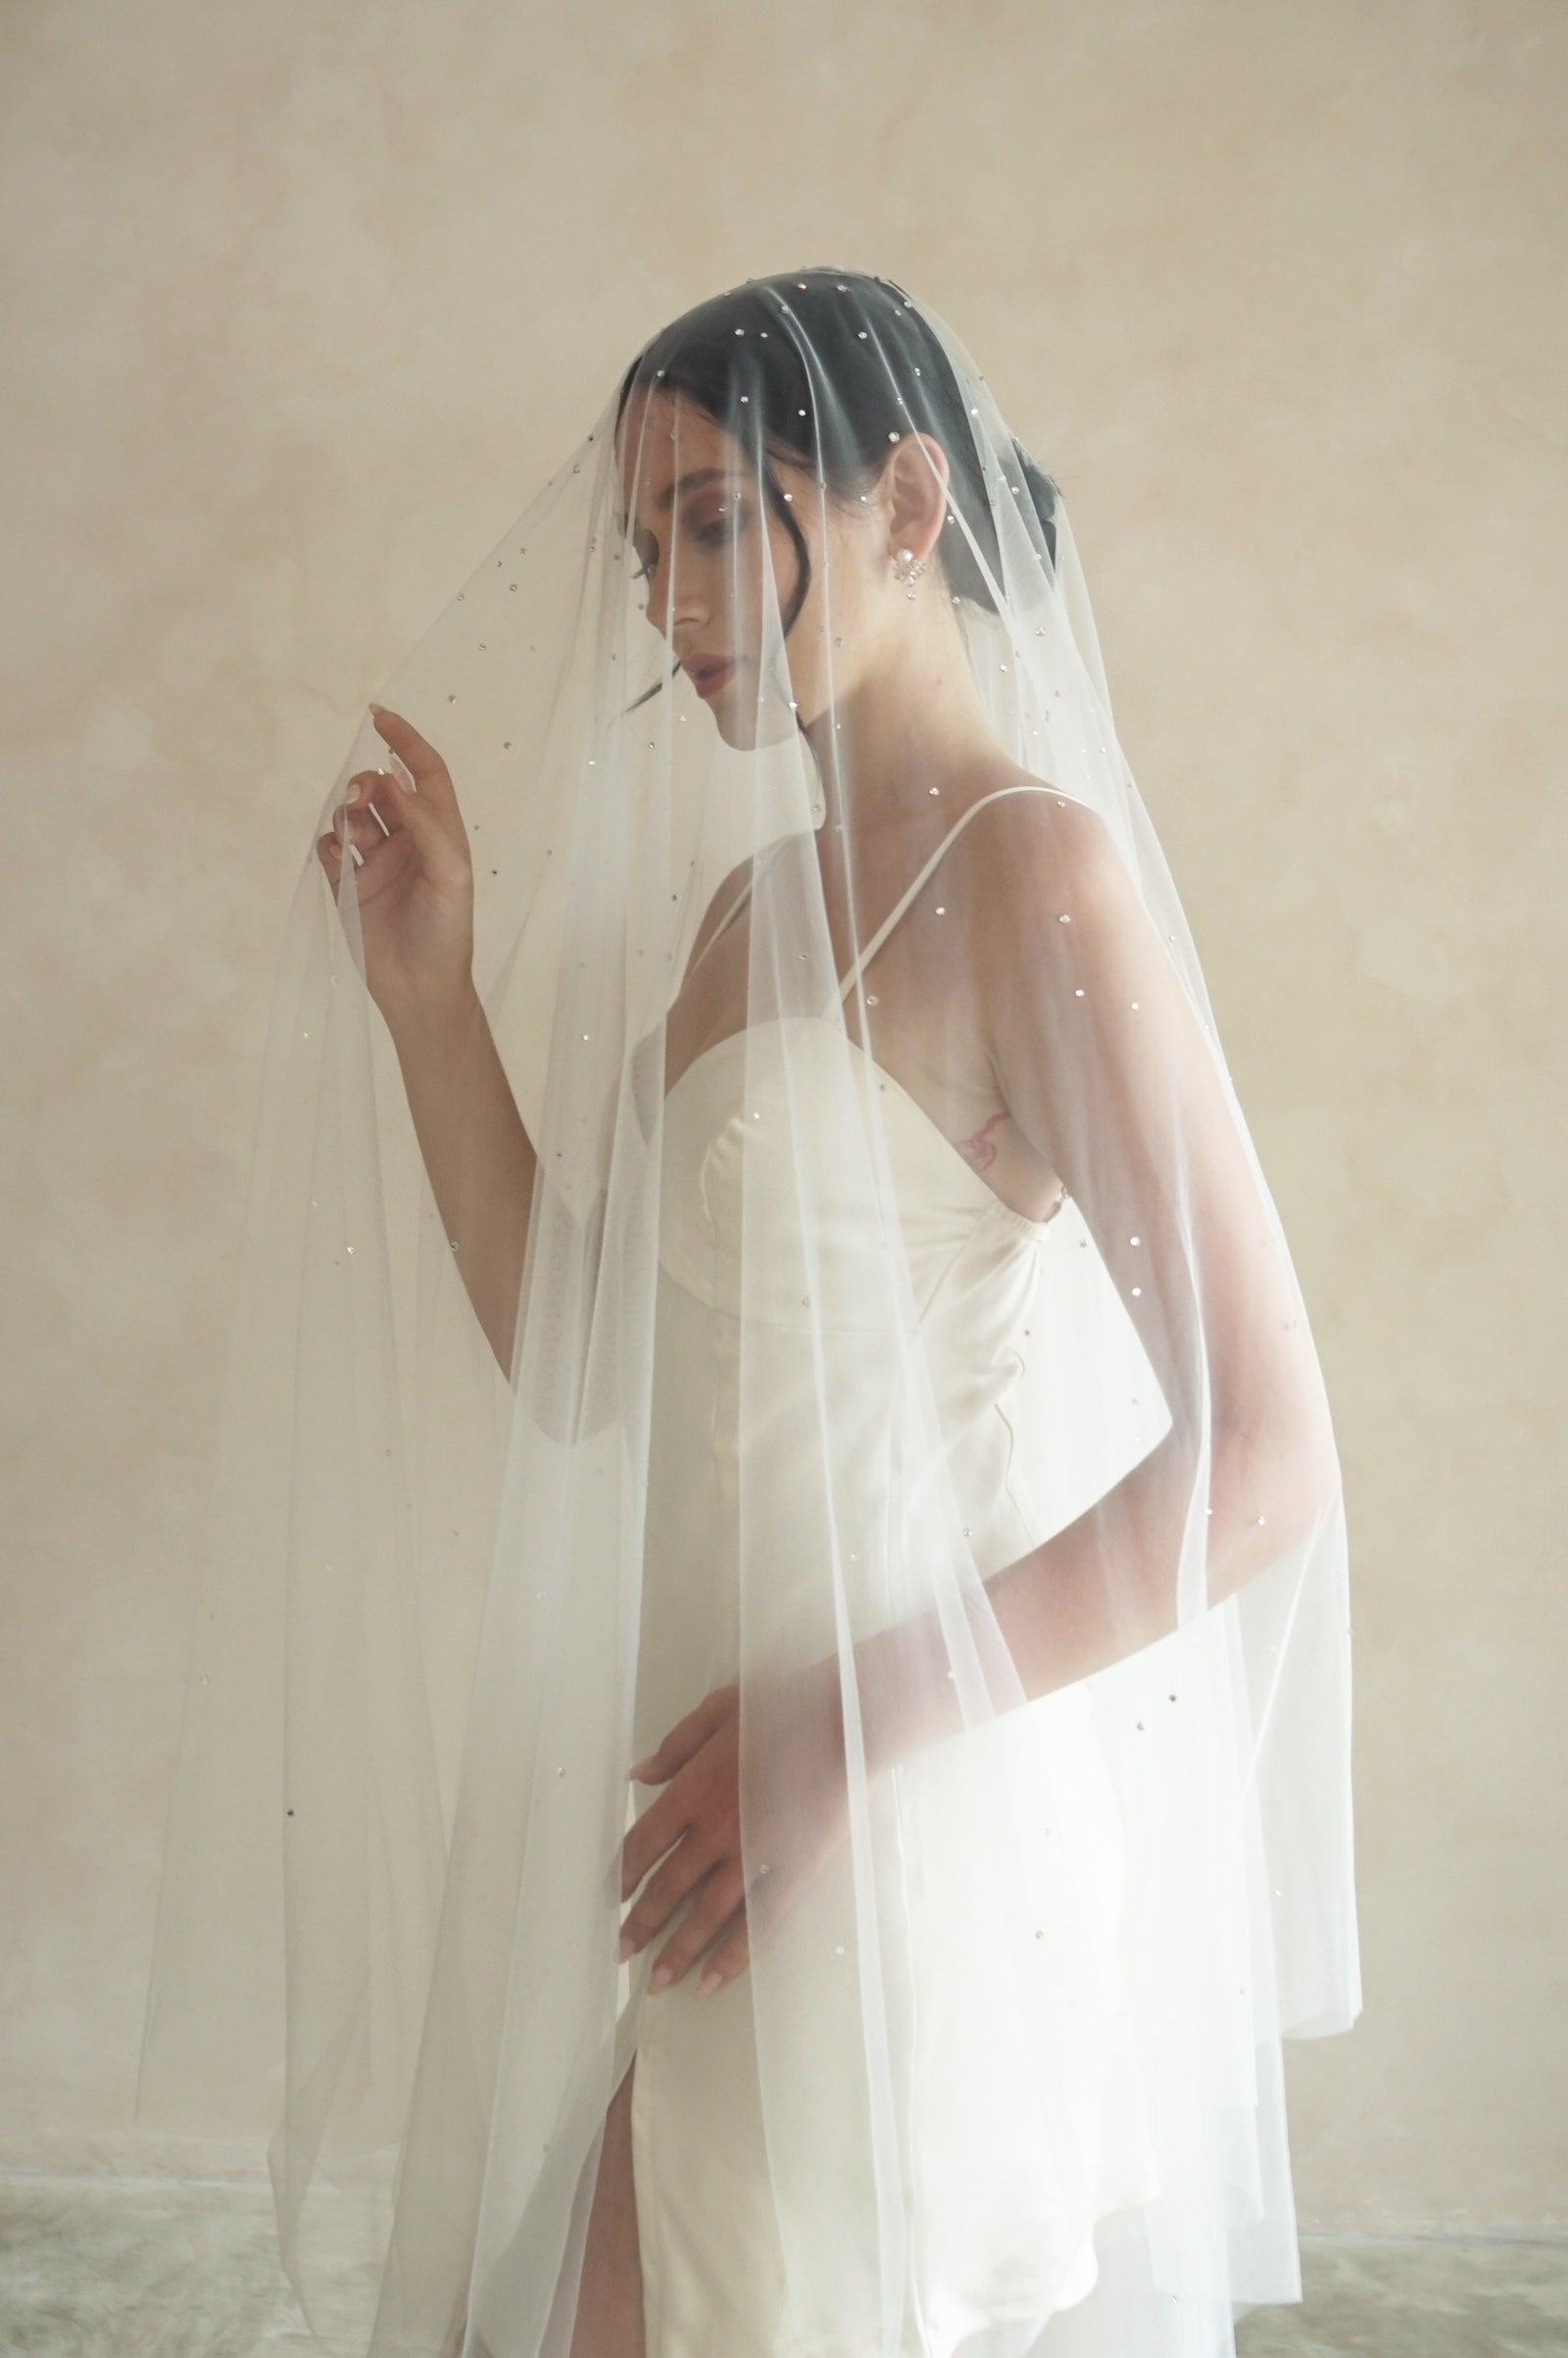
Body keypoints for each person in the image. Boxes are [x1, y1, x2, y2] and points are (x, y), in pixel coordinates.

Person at [138, 270, 1361, 2358]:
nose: (663, 599)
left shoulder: (1029, 881)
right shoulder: (742, 916)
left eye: (710, 522)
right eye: (641, 550)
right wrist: (432, 1010)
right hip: (715, 1850)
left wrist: (837, 1729)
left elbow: (1260, 1460)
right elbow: (577, 1356)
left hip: (887, 1828)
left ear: (900, 502)